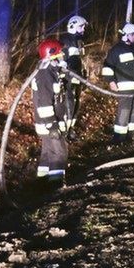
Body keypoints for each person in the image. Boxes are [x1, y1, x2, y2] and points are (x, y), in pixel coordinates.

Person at [102, 23, 134, 145]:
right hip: (125, 87)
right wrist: (111, 81)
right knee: (124, 110)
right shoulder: (116, 50)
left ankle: (130, 136)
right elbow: (107, 67)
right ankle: (119, 137)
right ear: (126, 35)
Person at [31, 39, 72, 184]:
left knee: (48, 153)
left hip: (51, 123)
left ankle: (41, 183)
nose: (62, 54)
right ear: (52, 54)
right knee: (59, 153)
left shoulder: (52, 71)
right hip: (49, 124)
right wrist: (52, 126)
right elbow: (44, 104)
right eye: (60, 52)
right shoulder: (45, 75)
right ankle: (56, 185)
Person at [60, 15, 88, 138]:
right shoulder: (65, 40)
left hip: (77, 76)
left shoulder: (79, 41)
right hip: (68, 78)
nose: (83, 30)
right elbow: (62, 61)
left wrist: (84, 75)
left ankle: (71, 128)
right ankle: (65, 130)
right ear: (73, 26)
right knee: (69, 103)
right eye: (81, 27)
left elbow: (79, 60)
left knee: (76, 103)